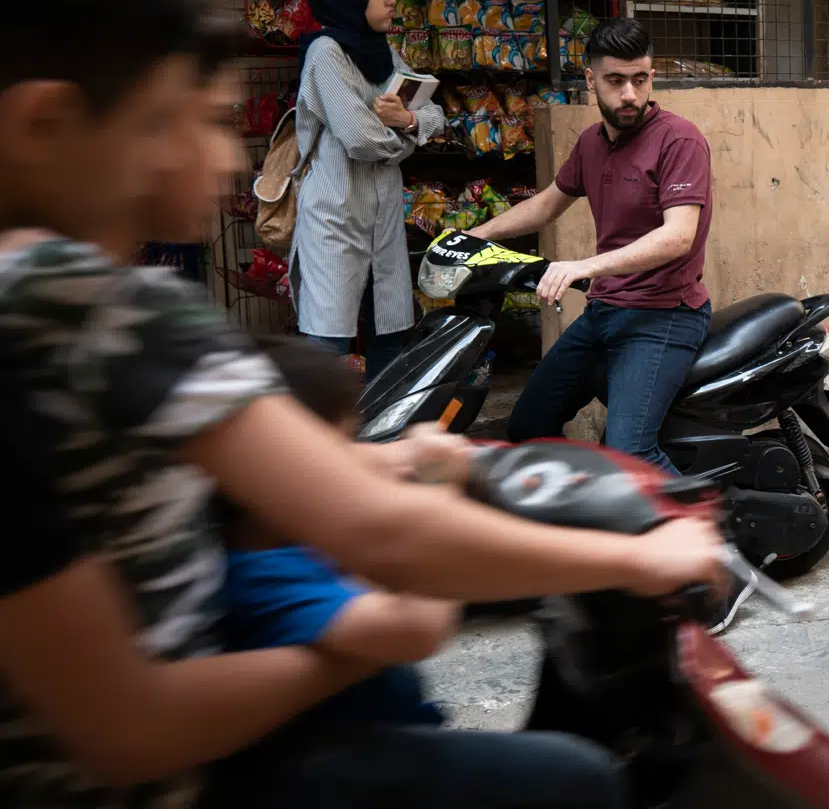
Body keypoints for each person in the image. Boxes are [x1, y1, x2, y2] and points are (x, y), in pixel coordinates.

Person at [0, 0, 722, 808]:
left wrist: (389, 473)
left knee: (620, 444)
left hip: (657, 310)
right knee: (571, 785)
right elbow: (371, 535)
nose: (226, 161)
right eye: (175, 122)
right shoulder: (97, 311)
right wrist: (638, 561)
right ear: (47, 130)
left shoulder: (678, 140)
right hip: (191, 767)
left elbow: (669, 234)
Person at [213, 336, 627, 809]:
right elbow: (417, 627)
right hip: (335, 760)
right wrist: (437, 483)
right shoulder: (265, 571)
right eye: (333, 449)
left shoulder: (285, 536)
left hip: (363, 739)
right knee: (578, 774)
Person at [466, 18, 712, 474]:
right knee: (529, 426)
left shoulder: (679, 139)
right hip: (605, 313)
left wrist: (584, 266)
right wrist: (475, 236)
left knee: (631, 455)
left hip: (664, 317)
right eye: (615, 81)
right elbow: (545, 206)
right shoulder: (590, 144)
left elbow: (679, 235)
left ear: (652, 77)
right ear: (590, 80)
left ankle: (709, 541)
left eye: (640, 80)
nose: (629, 95)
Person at [291, 0, 444, 381]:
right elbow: (359, 140)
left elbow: (436, 113)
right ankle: (321, 441)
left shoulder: (383, 53)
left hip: (382, 216)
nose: (391, 0)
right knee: (328, 340)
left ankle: (383, 432)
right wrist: (409, 137)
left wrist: (408, 120)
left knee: (390, 332)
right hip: (335, 217)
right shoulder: (326, 53)